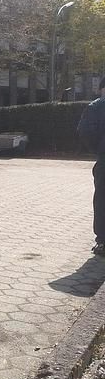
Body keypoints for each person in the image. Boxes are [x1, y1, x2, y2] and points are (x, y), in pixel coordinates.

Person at [78, 77, 105, 256]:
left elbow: (84, 131)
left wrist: (98, 149)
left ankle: (103, 242)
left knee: (102, 199)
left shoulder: (97, 106)